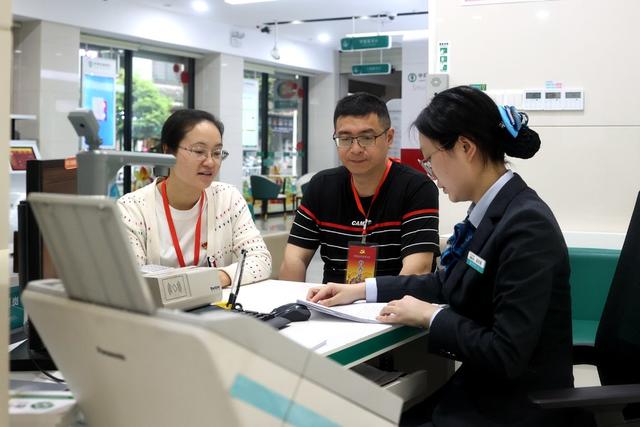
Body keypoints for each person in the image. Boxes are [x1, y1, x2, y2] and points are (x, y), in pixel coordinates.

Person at [307, 86, 573, 426]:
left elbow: (506, 354)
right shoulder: (493, 211)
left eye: (430, 159)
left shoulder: (525, 225)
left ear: (465, 148)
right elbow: (447, 283)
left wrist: (430, 316)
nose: (429, 172)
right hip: (479, 392)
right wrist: (361, 290)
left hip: (513, 407)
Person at [280, 92, 440, 284]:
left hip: (393, 305)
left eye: (366, 138)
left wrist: (370, 303)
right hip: (329, 307)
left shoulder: (416, 188)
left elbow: (418, 268)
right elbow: (294, 258)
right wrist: (291, 306)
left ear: (389, 138)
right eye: (345, 139)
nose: (355, 149)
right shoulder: (321, 186)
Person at [118, 109, 271, 286]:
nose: (210, 162)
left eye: (216, 152)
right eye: (199, 151)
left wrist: (214, 279)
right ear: (168, 152)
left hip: (216, 308)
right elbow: (130, 279)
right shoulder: (132, 209)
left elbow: (261, 260)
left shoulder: (228, 198)